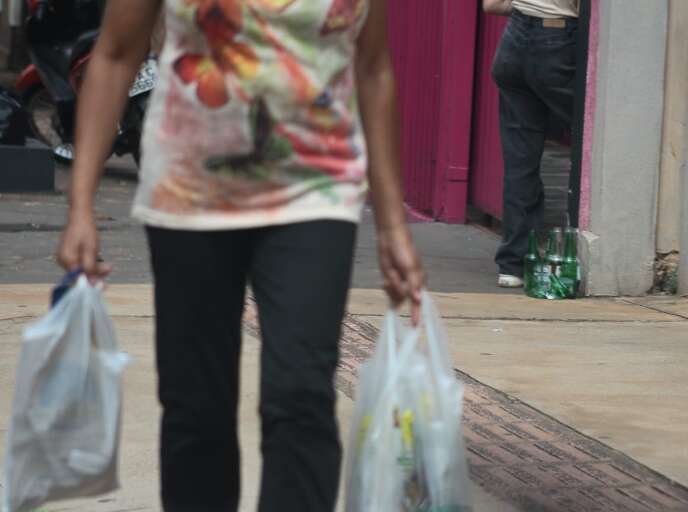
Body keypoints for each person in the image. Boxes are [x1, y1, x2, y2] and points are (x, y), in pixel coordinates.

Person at [56, 1, 424, 510]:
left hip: (315, 192)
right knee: (196, 408)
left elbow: (374, 66)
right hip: (190, 194)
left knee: (301, 396)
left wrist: (392, 225)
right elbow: (115, 55)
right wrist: (81, 206)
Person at [483, 0, 578, 288]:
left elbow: (492, 4)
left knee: (519, 161)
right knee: (598, 133)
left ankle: (513, 265)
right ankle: (586, 253)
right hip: (559, 40)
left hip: (514, 41)